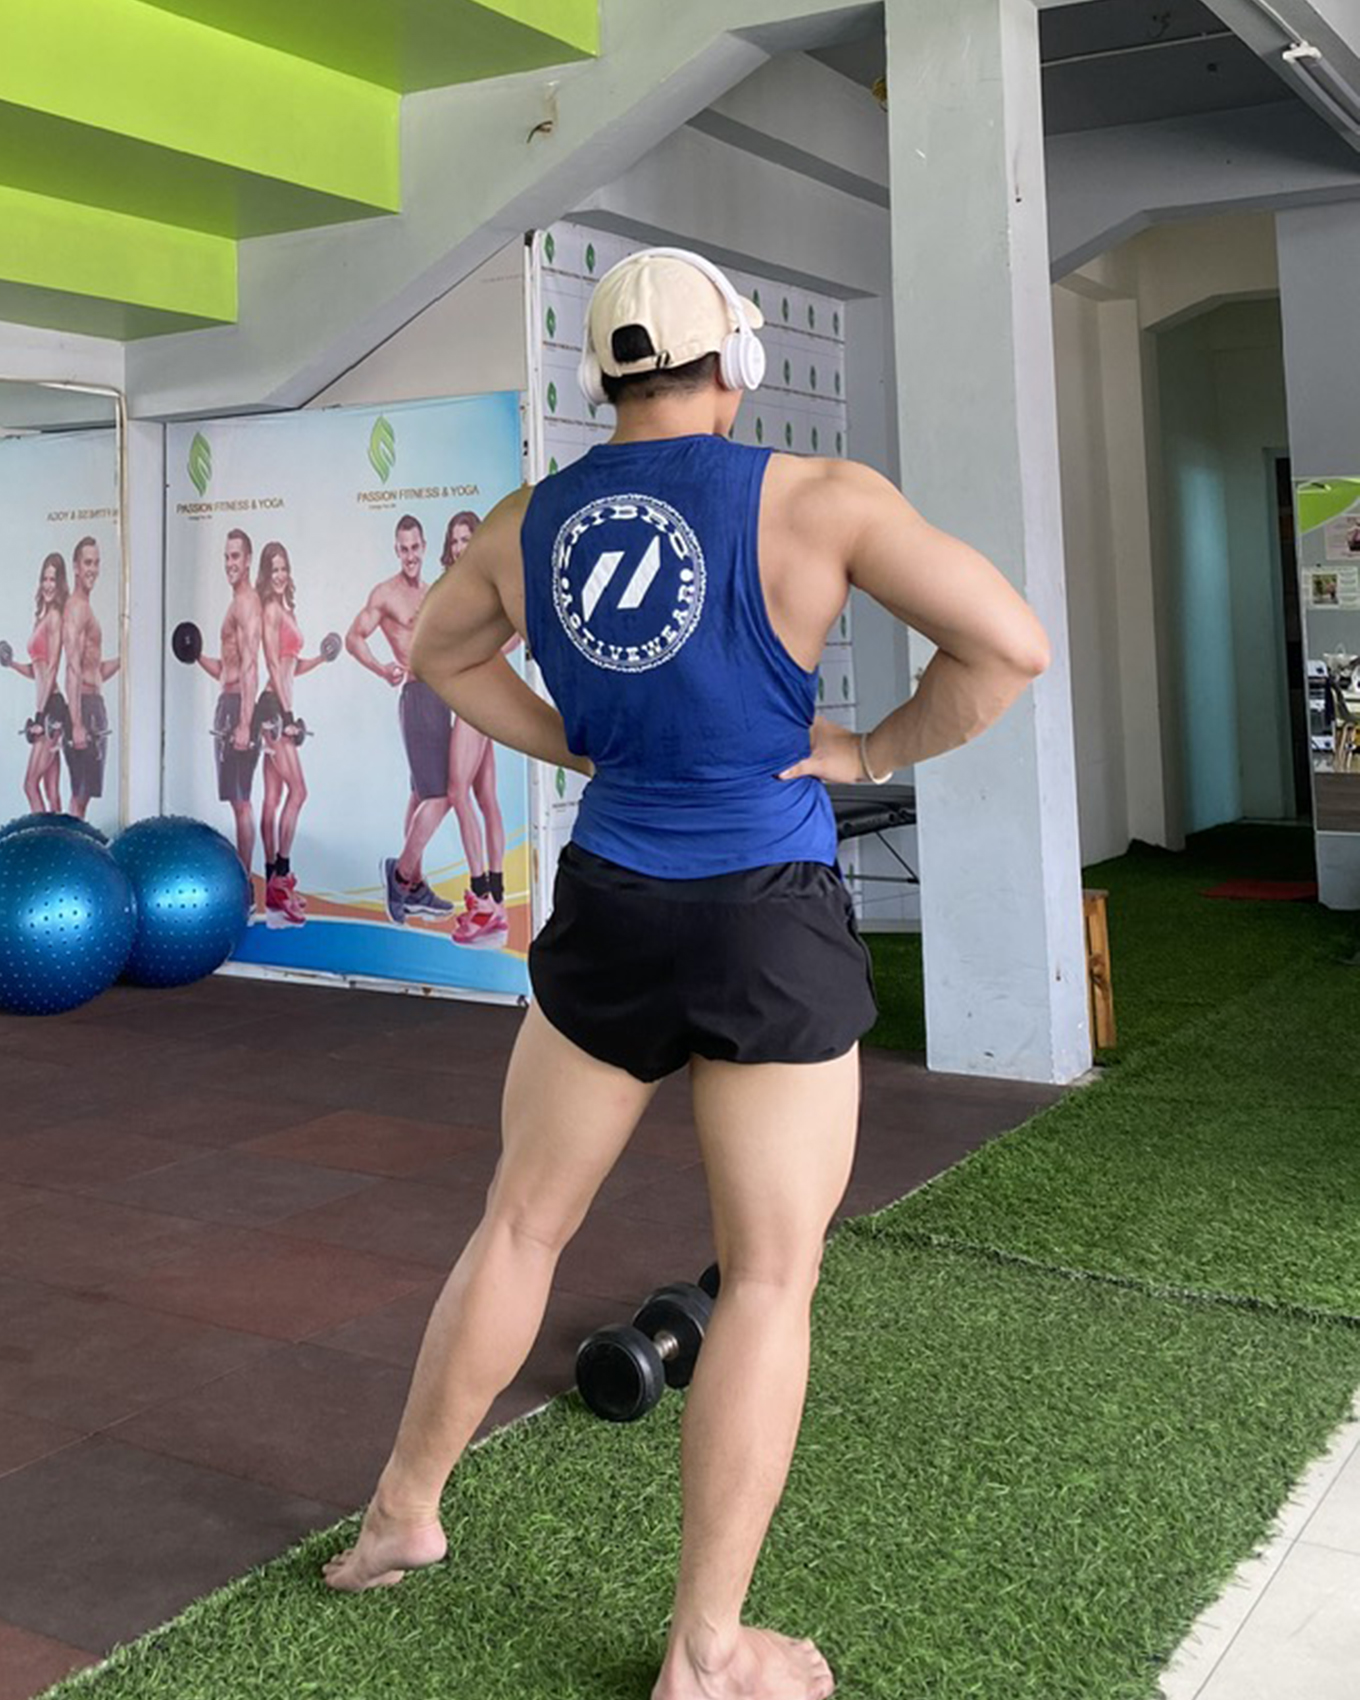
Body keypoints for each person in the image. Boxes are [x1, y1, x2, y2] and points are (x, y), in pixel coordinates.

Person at [323, 249, 1050, 1700]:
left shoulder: (533, 521)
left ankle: (402, 1511)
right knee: (769, 1275)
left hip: (611, 899)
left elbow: (438, 651)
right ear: (738, 363)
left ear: (605, 373)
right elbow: (1006, 647)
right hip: (765, 913)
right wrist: (867, 749)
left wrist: (573, 740)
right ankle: (707, 1653)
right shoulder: (819, 500)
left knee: (521, 1224)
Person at [346, 514, 456, 926]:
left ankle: (415, 887)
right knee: (441, 795)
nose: (410, 556)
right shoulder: (386, 594)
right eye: (403, 549)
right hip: (417, 696)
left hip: (440, 699)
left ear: (424, 547)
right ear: (397, 550)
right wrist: (381, 669)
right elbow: (354, 638)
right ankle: (400, 874)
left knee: (420, 794)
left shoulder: (431, 592)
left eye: (415, 548)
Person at [440, 511, 514, 948]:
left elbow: (514, 632)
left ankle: (482, 896)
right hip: (478, 695)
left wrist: (477, 659)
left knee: (456, 792)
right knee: (485, 797)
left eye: (466, 539)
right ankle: (497, 903)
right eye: (455, 541)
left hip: (475, 698)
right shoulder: (467, 585)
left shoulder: (485, 584)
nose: (459, 547)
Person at [257, 541, 328, 925]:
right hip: (273, 708)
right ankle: (280, 877)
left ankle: (273, 887)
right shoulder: (270, 610)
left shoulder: (287, 609)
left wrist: (321, 658)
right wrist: (286, 716)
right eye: (275, 570)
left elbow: (291, 665)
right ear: (267, 575)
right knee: (298, 791)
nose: (281, 576)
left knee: (273, 797)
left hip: (280, 706)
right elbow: (272, 663)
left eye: (284, 568)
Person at [191, 529, 263, 877]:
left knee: (242, 802)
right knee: (236, 803)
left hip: (238, 708)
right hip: (229, 703)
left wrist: (246, 722)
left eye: (235, 556)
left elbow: (250, 666)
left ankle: (245, 880)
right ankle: (242, 878)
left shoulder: (247, 603)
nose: (230, 563)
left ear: (248, 560)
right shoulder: (236, 603)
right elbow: (227, 668)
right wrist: (195, 655)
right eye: (226, 557)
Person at [2, 552, 69, 813]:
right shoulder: (40, 619)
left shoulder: (55, 618)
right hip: (46, 706)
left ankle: (42, 836)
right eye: (45, 579)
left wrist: (41, 716)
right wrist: (11, 663)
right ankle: (59, 835)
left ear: (60, 584)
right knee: (52, 793)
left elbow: (51, 669)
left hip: (51, 708)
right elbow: (37, 670)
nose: (48, 585)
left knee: (30, 785)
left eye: (53, 579)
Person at [61, 537, 119, 822]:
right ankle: (72, 846)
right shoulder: (76, 608)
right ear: (75, 567)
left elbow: (94, 672)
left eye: (96, 563)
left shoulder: (86, 607)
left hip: (92, 704)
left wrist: (125, 658)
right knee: (79, 795)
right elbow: (72, 668)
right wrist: (76, 724)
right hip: (83, 708)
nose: (92, 569)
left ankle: (76, 844)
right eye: (87, 562)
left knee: (84, 797)